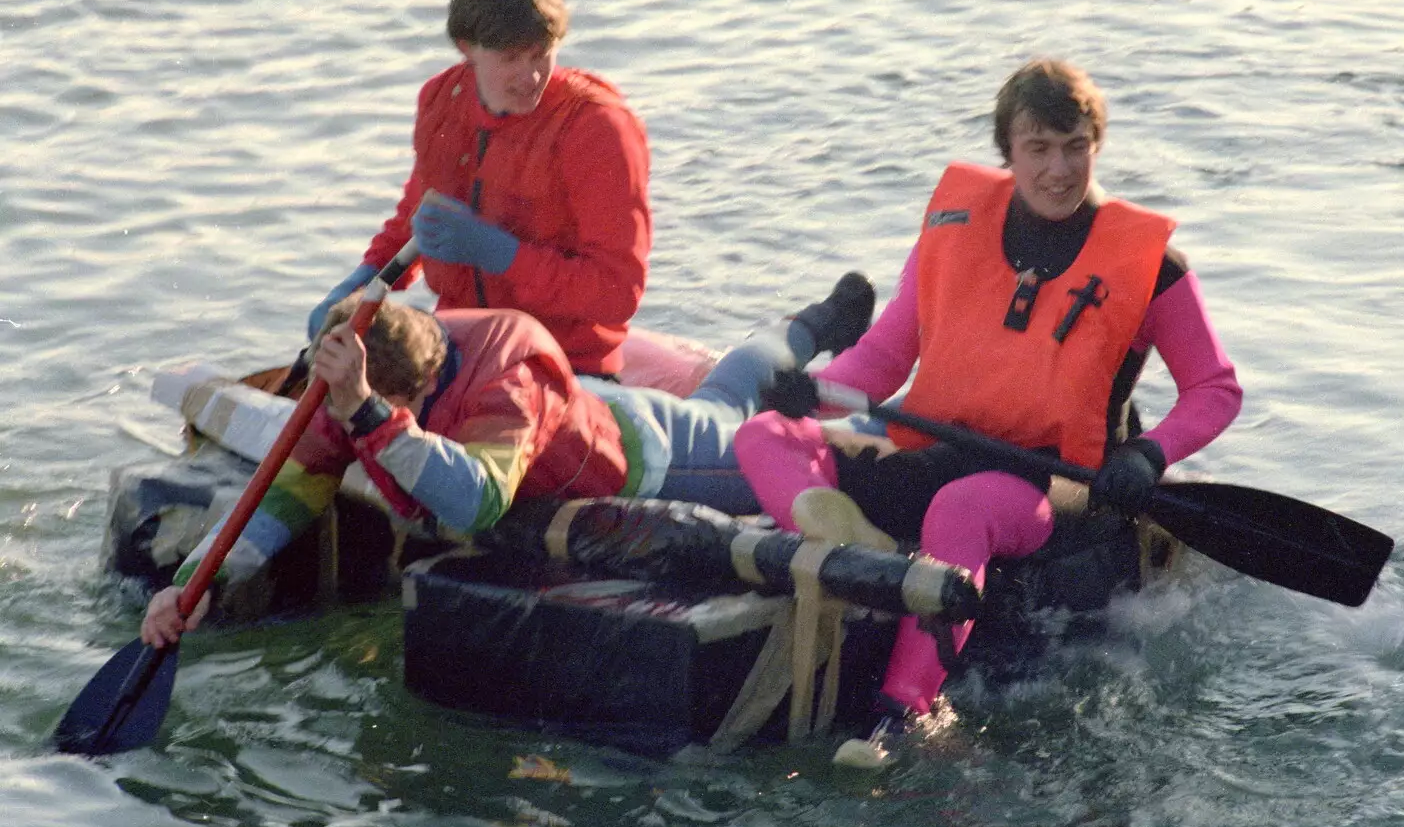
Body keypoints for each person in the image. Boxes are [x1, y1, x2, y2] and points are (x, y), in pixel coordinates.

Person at [732, 58, 1243, 765]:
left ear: (1097, 145)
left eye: (1075, 147)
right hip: (944, 445)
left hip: (1056, 479)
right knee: (764, 432)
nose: (1059, 169)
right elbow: (883, 356)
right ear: (1008, 151)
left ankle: (901, 714)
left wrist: (1148, 454)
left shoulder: (1154, 266)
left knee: (962, 508)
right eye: (1039, 148)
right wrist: (811, 391)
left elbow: (1215, 388)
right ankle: (864, 553)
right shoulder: (953, 227)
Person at [140, 273, 876, 648]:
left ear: (425, 387)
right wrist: (196, 578)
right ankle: (797, 330)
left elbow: (480, 501)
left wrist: (369, 411)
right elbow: (297, 481)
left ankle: (808, 329)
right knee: (722, 394)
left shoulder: (504, 363)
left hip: (642, 454)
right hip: (573, 413)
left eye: (399, 406)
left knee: (738, 418)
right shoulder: (356, 385)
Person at [305, 0, 652, 377]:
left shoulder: (598, 129)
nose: (531, 77)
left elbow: (617, 293)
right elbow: (418, 219)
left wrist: (502, 254)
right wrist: (360, 285)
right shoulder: (441, 102)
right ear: (467, 47)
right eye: (510, 59)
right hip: (459, 348)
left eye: (541, 54)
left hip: (563, 364)